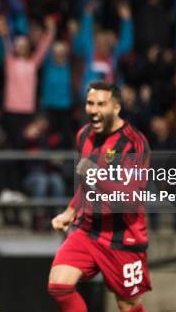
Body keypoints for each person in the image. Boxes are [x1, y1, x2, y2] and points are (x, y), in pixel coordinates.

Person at [48, 81, 151, 312]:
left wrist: (98, 174)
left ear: (116, 108)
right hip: (87, 230)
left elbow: (131, 196)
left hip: (123, 236)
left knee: (128, 304)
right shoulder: (83, 135)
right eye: (90, 103)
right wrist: (70, 212)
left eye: (101, 104)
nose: (94, 110)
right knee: (59, 285)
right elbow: (85, 184)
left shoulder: (134, 143)